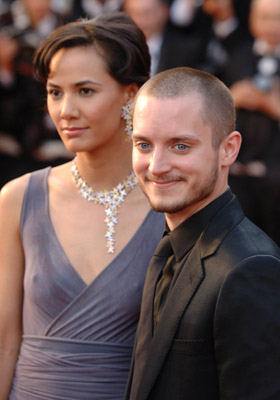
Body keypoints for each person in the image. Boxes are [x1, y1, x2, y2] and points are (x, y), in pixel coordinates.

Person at [0, 11, 165, 399]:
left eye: (85, 91)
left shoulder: (168, 203)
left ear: (132, 93)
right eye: (55, 92)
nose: (65, 111)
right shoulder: (18, 198)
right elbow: (4, 341)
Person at [125, 66, 280, 400]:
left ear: (228, 149)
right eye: (144, 144)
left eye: (180, 146)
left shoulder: (249, 268)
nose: (156, 166)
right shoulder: (171, 246)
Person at [223, 0, 280, 245]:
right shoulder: (237, 57)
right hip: (237, 171)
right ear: (252, 20)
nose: (272, 26)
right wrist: (231, 97)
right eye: (265, 18)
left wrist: (271, 105)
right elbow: (212, 109)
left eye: (277, 18)